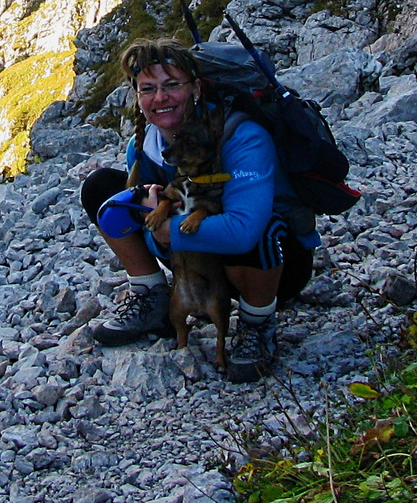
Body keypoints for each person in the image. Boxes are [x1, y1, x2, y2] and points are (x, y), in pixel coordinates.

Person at [79, 38, 320, 382]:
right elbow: (144, 212)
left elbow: (243, 231)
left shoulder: (242, 135)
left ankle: (257, 321)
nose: (160, 98)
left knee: (260, 227)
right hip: (201, 259)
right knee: (101, 187)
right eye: (148, 89)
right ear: (137, 96)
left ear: (195, 88)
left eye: (171, 85)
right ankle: (152, 296)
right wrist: (155, 218)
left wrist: (164, 229)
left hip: (277, 262)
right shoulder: (143, 145)